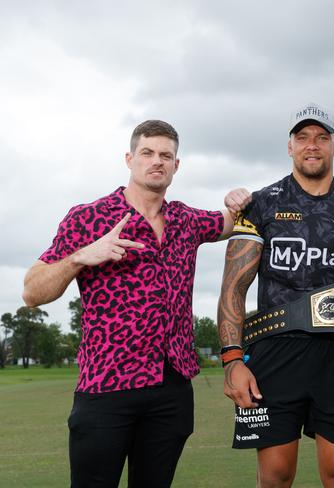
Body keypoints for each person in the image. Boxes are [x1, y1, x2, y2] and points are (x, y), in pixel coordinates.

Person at [22, 119, 250, 488]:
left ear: (176, 166)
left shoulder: (186, 220)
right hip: (106, 387)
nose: (156, 161)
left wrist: (239, 200)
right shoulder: (88, 217)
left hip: (171, 389)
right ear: (130, 159)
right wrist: (81, 256)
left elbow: (231, 222)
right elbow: (32, 291)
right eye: (147, 153)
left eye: (166, 155)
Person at [217, 102, 334, 487]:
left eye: (322, 138)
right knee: (274, 477)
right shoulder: (260, 205)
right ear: (289, 146)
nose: (312, 145)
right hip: (274, 352)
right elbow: (233, 289)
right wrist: (231, 361)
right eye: (303, 137)